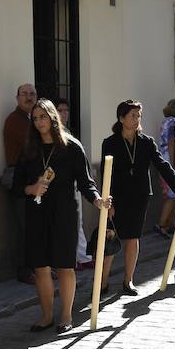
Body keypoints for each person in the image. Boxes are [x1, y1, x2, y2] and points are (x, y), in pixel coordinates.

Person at [15, 100, 109, 333]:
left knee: (66, 266)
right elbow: (16, 186)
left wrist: (97, 200)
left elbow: (86, 182)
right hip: (37, 213)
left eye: (43, 117)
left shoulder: (72, 147)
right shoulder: (28, 150)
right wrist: (32, 188)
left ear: (53, 117)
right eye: (35, 118)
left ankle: (66, 315)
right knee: (41, 267)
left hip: (64, 213)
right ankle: (46, 315)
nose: (39, 122)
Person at [100, 100, 175, 296]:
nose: (137, 119)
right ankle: (102, 281)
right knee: (110, 238)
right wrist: (107, 200)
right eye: (133, 115)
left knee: (133, 238)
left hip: (139, 197)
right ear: (121, 118)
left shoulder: (146, 142)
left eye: (139, 115)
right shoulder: (110, 143)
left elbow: (161, 164)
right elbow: (105, 174)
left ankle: (128, 280)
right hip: (117, 198)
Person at [4, 83, 38, 284]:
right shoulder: (15, 120)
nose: (29, 97)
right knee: (25, 227)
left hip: (34, 178)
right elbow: (32, 146)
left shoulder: (32, 119)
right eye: (24, 94)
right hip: (20, 178)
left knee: (36, 226)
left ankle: (39, 267)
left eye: (32, 94)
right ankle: (25, 270)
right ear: (17, 98)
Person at [56, 100, 92, 271]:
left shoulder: (68, 133)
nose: (64, 114)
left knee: (78, 221)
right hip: (60, 186)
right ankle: (76, 257)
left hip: (75, 183)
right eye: (60, 110)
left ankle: (82, 256)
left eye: (66, 110)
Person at [155, 98, 175, 237]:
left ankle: (170, 225)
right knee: (173, 195)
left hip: (161, 158)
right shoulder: (174, 122)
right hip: (169, 160)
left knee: (171, 195)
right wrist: (172, 164)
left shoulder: (165, 121)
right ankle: (162, 225)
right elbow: (172, 142)